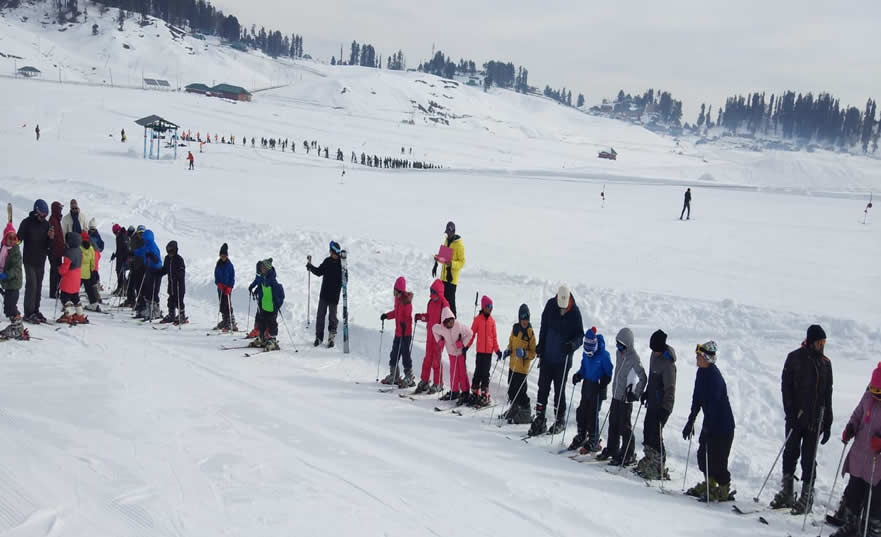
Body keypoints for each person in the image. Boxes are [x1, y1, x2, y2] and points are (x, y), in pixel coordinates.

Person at [771, 324, 833, 514]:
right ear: (810, 341)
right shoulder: (795, 358)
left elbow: (828, 393)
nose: (822, 345)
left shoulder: (825, 363)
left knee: (809, 457)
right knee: (790, 452)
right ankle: (788, 491)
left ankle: (807, 494)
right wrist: (790, 411)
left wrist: (828, 421)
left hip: (815, 420)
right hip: (796, 417)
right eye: (819, 342)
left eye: (824, 342)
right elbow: (786, 386)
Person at [831, 363, 881, 537]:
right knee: (854, 492)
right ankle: (851, 524)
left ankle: (872, 530)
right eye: (873, 390)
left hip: (878, 463)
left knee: (874, 500)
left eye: (878, 392)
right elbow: (858, 414)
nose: (874, 395)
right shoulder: (868, 397)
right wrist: (850, 427)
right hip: (860, 456)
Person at [683, 341, 736, 502]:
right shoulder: (701, 373)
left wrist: (707, 429)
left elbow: (713, 406)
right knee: (702, 455)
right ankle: (710, 483)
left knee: (717, 459)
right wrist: (691, 419)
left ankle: (723, 487)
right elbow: (697, 398)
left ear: (706, 358)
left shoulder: (715, 377)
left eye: (699, 356)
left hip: (723, 426)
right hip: (711, 422)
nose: (696, 358)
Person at [530, 285, 583, 436]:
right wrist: (541, 344)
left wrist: (572, 345)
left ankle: (560, 420)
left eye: (565, 308)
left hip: (563, 359)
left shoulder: (575, 312)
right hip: (547, 356)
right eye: (561, 307)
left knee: (559, 391)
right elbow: (544, 327)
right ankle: (540, 417)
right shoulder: (550, 305)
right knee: (542, 387)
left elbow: (580, 335)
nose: (563, 310)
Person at [635, 329, 678, 480]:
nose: (654, 351)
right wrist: (647, 392)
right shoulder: (654, 355)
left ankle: (659, 465)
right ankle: (649, 460)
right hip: (652, 402)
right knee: (647, 431)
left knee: (655, 434)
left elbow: (670, 389)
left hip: (662, 406)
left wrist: (665, 409)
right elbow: (653, 379)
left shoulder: (668, 364)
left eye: (656, 349)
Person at [602, 327, 647, 466]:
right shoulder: (618, 354)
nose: (618, 347)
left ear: (628, 344)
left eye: (621, 345)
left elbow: (643, 377)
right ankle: (612, 449)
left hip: (626, 399)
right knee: (613, 424)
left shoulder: (634, 358)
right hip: (616, 395)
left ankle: (628, 453)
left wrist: (636, 393)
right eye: (617, 344)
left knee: (624, 426)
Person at [569, 327, 613, 452]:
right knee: (581, 411)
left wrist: (605, 379)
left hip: (598, 387)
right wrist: (578, 375)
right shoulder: (585, 354)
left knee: (592, 414)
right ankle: (582, 435)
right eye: (587, 352)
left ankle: (593, 440)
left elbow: (609, 371)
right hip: (587, 386)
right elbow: (584, 367)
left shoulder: (604, 355)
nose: (588, 354)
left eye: (590, 352)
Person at [16, 199, 52, 323]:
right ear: (36, 211)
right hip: (29, 259)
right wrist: (14, 241)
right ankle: (28, 312)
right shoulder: (26, 223)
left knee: (38, 287)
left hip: (41, 260)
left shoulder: (46, 225)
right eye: (42, 214)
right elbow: (19, 239)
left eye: (46, 215)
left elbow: (48, 245)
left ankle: (35, 310)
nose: (44, 217)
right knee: (32, 285)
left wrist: (51, 239)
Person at [502, 304, 537, 424]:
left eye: (527, 317)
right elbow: (511, 342)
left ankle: (526, 412)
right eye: (523, 317)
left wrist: (525, 354)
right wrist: (508, 350)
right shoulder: (515, 328)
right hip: (513, 365)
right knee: (511, 389)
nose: (525, 320)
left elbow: (533, 353)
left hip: (522, 368)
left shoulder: (530, 333)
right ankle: (514, 408)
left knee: (520, 391)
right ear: (519, 317)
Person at [414, 279, 449, 394]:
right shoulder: (430, 302)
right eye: (431, 292)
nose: (432, 295)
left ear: (439, 292)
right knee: (427, 359)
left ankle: (438, 383)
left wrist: (443, 338)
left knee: (436, 360)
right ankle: (424, 381)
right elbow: (429, 317)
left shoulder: (444, 304)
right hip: (429, 336)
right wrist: (421, 317)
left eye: (434, 293)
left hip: (439, 338)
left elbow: (447, 323)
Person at [465, 295, 502, 407]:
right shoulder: (477, 320)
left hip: (488, 353)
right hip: (480, 352)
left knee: (485, 374)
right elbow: (471, 335)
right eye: (488, 306)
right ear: (483, 307)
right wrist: (467, 346)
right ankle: (475, 392)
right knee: (478, 372)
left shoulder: (492, 321)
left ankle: (484, 394)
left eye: (492, 307)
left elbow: (494, 338)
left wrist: (497, 350)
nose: (490, 309)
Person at [432, 307, 473, 404]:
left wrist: (463, 344)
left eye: (452, 321)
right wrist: (439, 340)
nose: (451, 324)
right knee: (453, 373)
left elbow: (470, 333)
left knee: (462, 373)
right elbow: (433, 329)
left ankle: (465, 392)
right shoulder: (441, 328)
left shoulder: (458, 326)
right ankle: (454, 391)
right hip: (451, 354)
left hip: (460, 353)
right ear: (444, 322)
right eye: (448, 322)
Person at [380, 277, 415, 387]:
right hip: (398, 332)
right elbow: (396, 313)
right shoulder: (397, 300)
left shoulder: (407, 303)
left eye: (397, 292)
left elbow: (408, 318)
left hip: (406, 333)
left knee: (405, 355)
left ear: (401, 292)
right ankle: (394, 375)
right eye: (394, 291)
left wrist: (405, 325)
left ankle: (409, 375)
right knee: (394, 353)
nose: (395, 294)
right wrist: (387, 315)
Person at [306, 241, 342, 347]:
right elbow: (319, 272)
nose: (330, 253)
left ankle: (331, 338)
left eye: (331, 251)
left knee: (332, 317)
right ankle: (319, 337)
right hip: (324, 295)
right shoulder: (327, 261)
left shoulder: (342, 264)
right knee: (320, 316)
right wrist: (310, 267)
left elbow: (346, 279)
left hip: (334, 296)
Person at [248, 258, 284, 351]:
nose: (261, 268)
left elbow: (281, 295)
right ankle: (262, 338)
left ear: (267, 269)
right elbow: (260, 287)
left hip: (272, 307)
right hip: (264, 305)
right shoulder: (263, 278)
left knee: (272, 323)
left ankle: (273, 340)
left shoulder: (272, 281)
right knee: (261, 322)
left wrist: (277, 305)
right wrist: (256, 291)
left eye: (263, 267)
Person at [432, 221, 465, 315]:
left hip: (451, 280)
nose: (448, 234)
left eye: (449, 232)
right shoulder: (447, 240)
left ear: (453, 231)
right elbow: (445, 257)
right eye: (446, 232)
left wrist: (452, 264)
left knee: (450, 302)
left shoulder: (459, 245)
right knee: (443, 301)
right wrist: (438, 258)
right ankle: (444, 322)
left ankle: (454, 322)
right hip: (443, 277)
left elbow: (462, 262)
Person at [56, 232, 87, 324]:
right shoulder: (79, 251)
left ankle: (68, 315)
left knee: (65, 298)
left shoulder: (68, 253)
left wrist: (59, 269)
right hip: (77, 279)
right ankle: (80, 315)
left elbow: (64, 269)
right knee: (75, 297)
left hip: (68, 280)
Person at [0, 222, 24, 339]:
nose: (13, 240)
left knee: (10, 305)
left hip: (14, 282)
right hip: (7, 283)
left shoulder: (15, 251)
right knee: (7, 307)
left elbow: (16, 269)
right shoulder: (3, 249)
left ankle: (18, 327)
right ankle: (16, 324)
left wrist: (5, 275)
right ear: (5, 238)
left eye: (15, 238)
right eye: (10, 238)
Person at [133, 229, 162, 320]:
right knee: (148, 291)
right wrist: (133, 252)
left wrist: (152, 257)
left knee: (154, 291)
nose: (143, 240)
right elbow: (141, 251)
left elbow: (157, 261)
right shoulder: (146, 245)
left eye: (145, 238)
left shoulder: (153, 247)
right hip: (149, 269)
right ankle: (148, 309)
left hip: (156, 271)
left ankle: (155, 311)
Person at [159, 241, 186, 325]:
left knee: (179, 300)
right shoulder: (167, 259)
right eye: (168, 251)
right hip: (171, 284)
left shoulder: (179, 259)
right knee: (171, 299)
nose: (169, 253)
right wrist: (157, 273)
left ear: (175, 250)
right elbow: (165, 270)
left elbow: (182, 270)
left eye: (171, 251)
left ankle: (182, 315)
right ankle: (171, 314)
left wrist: (178, 275)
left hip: (179, 284)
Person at [214, 243, 236, 331]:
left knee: (227, 303)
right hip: (220, 288)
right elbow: (216, 275)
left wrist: (230, 287)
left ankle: (231, 321)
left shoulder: (229, 265)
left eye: (224, 256)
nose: (223, 257)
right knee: (222, 304)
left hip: (227, 288)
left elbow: (232, 277)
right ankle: (225, 320)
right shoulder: (218, 264)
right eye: (221, 256)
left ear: (227, 256)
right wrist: (218, 283)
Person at [79, 231, 102, 311]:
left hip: (79, 272)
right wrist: (92, 270)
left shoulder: (79, 248)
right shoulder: (91, 248)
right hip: (87, 273)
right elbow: (93, 261)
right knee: (89, 289)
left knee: (75, 288)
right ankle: (94, 303)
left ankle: (71, 303)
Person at [124, 226, 145, 308]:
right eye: (140, 233)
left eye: (142, 233)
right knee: (131, 283)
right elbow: (131, 250)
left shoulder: (144, 241)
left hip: (141, 266)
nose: (141, 235)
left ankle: (138, 302)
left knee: (138, 285)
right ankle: (131, 300)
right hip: (134, 264)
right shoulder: (134, 239)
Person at [48, 201, 64, 299]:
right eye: (60, 208)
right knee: (55, 272)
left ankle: (56, 291)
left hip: (58, 251)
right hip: (54, 252)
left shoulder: (56, 219)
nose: (61, 210)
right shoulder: (53, 220)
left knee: (58, 272)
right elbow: (53, 238)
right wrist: (53, 249)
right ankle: (53, 292)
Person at [247, 260, 267, 339]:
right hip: (260, 298)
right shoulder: (259, 275)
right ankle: (257, 329)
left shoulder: (264, 277)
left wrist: (256, 290)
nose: (258, 272)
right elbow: (256, 281)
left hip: (265, 299)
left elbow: (261, 286)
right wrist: (252, 286)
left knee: (263, 316)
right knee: (258, 315)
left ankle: (263, 331)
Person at [110, 224, 130, 296]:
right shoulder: (119, 236)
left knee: (121, 273)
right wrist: (115, 255)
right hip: (119, 258)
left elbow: (127, 248)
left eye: (115, 232)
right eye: (114, 233)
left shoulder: (123, 236)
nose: (115, 234)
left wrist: (126, 259)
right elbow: (119, 249)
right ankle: (120, 288)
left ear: (118, 230)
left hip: (124, 259)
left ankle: (123, 289)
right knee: (118, 272)